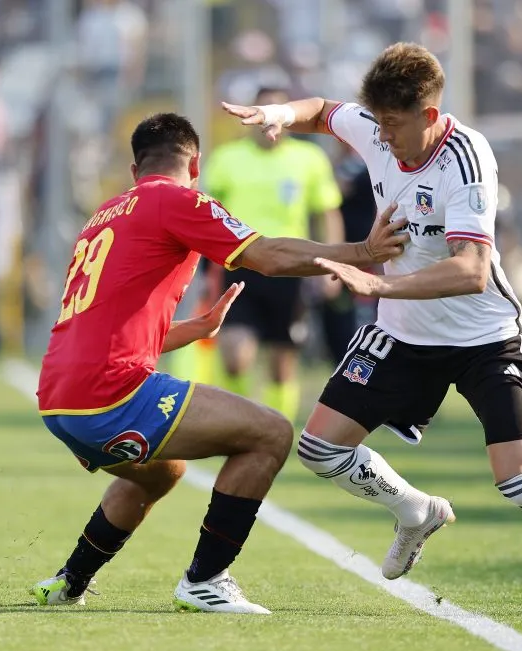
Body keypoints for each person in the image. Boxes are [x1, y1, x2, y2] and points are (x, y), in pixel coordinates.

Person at [223, 42, 522, 617]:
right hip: (403, 334)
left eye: (394, 125)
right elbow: (321, 110)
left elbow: (470, 271)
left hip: (483, 338)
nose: (383, 137)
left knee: (517, 480)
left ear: (429, 114)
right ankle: (414, 510)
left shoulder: (467, 160)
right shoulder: (375, 125)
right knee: (319, 449)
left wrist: (379, 285)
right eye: (378, 124)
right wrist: (279, 115)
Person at [31, 113, 408, 614]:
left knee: (161, 472)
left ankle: (69, 581)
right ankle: (205, 580)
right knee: (271, 433)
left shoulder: (104, 214)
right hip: (110, 393)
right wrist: (361, 251)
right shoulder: (176, 199)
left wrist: (196, 330)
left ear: (133, 168)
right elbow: (269, 256)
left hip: (59, 398)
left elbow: (102, 327)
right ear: (196, 163)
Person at [203, 84, 344, 421]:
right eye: (261, 114)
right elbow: (204, 212)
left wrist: (332, 267)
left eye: (276, 114)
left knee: (282, 365)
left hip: (289, 271)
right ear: (250, 117)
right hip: (240, 268)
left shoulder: (309, 159)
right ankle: (235, 422)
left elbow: (327, 213)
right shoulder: (226, 159)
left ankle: (275, 429)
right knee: (235, 356)